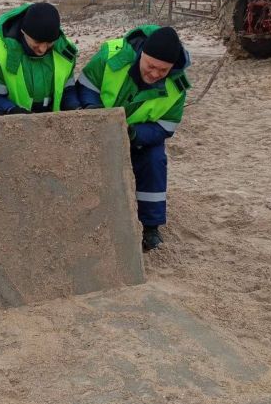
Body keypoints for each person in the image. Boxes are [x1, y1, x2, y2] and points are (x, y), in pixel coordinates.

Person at [77, 25, 191, 251]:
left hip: (138, 138)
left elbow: (165, 127)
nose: (155, 74)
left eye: (163, 70)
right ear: (142, 55)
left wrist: (133, 133)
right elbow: (84, 87)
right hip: (95, 131)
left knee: (155, 160)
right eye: (151, 66)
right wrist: (96, 113)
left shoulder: (177, 87)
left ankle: (150, 227)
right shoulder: (111, 57)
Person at [0, 1, 81, 113]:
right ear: (23, 32)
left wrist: (74, 107)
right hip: (11, 121)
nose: (43, 49)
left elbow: (68, 89)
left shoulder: (66, 50)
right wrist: (11, 110)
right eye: (37, 42)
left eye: (49, 43)